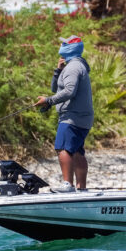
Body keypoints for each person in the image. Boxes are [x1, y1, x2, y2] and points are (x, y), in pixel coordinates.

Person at [34, 35, 94, 192]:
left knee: (63, 148)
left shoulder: (73, 68)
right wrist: (58, 71)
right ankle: (82, 188)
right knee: (77, 151)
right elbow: (57, 89)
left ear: (70, 48)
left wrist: (48, 101)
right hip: (82, 118)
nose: (60, 45)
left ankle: (67, 185)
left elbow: (69, 91)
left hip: (72, 117)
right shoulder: (75, 66)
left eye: (64, 43)